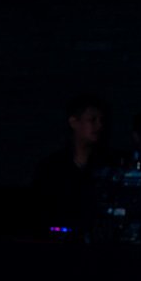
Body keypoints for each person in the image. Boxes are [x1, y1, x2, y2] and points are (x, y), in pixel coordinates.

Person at [30, 92, 110, 238]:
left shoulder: (108, 164)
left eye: (101, 120)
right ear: (74, 122)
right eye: (92, 120)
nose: (99, 126)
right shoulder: (52, 167)